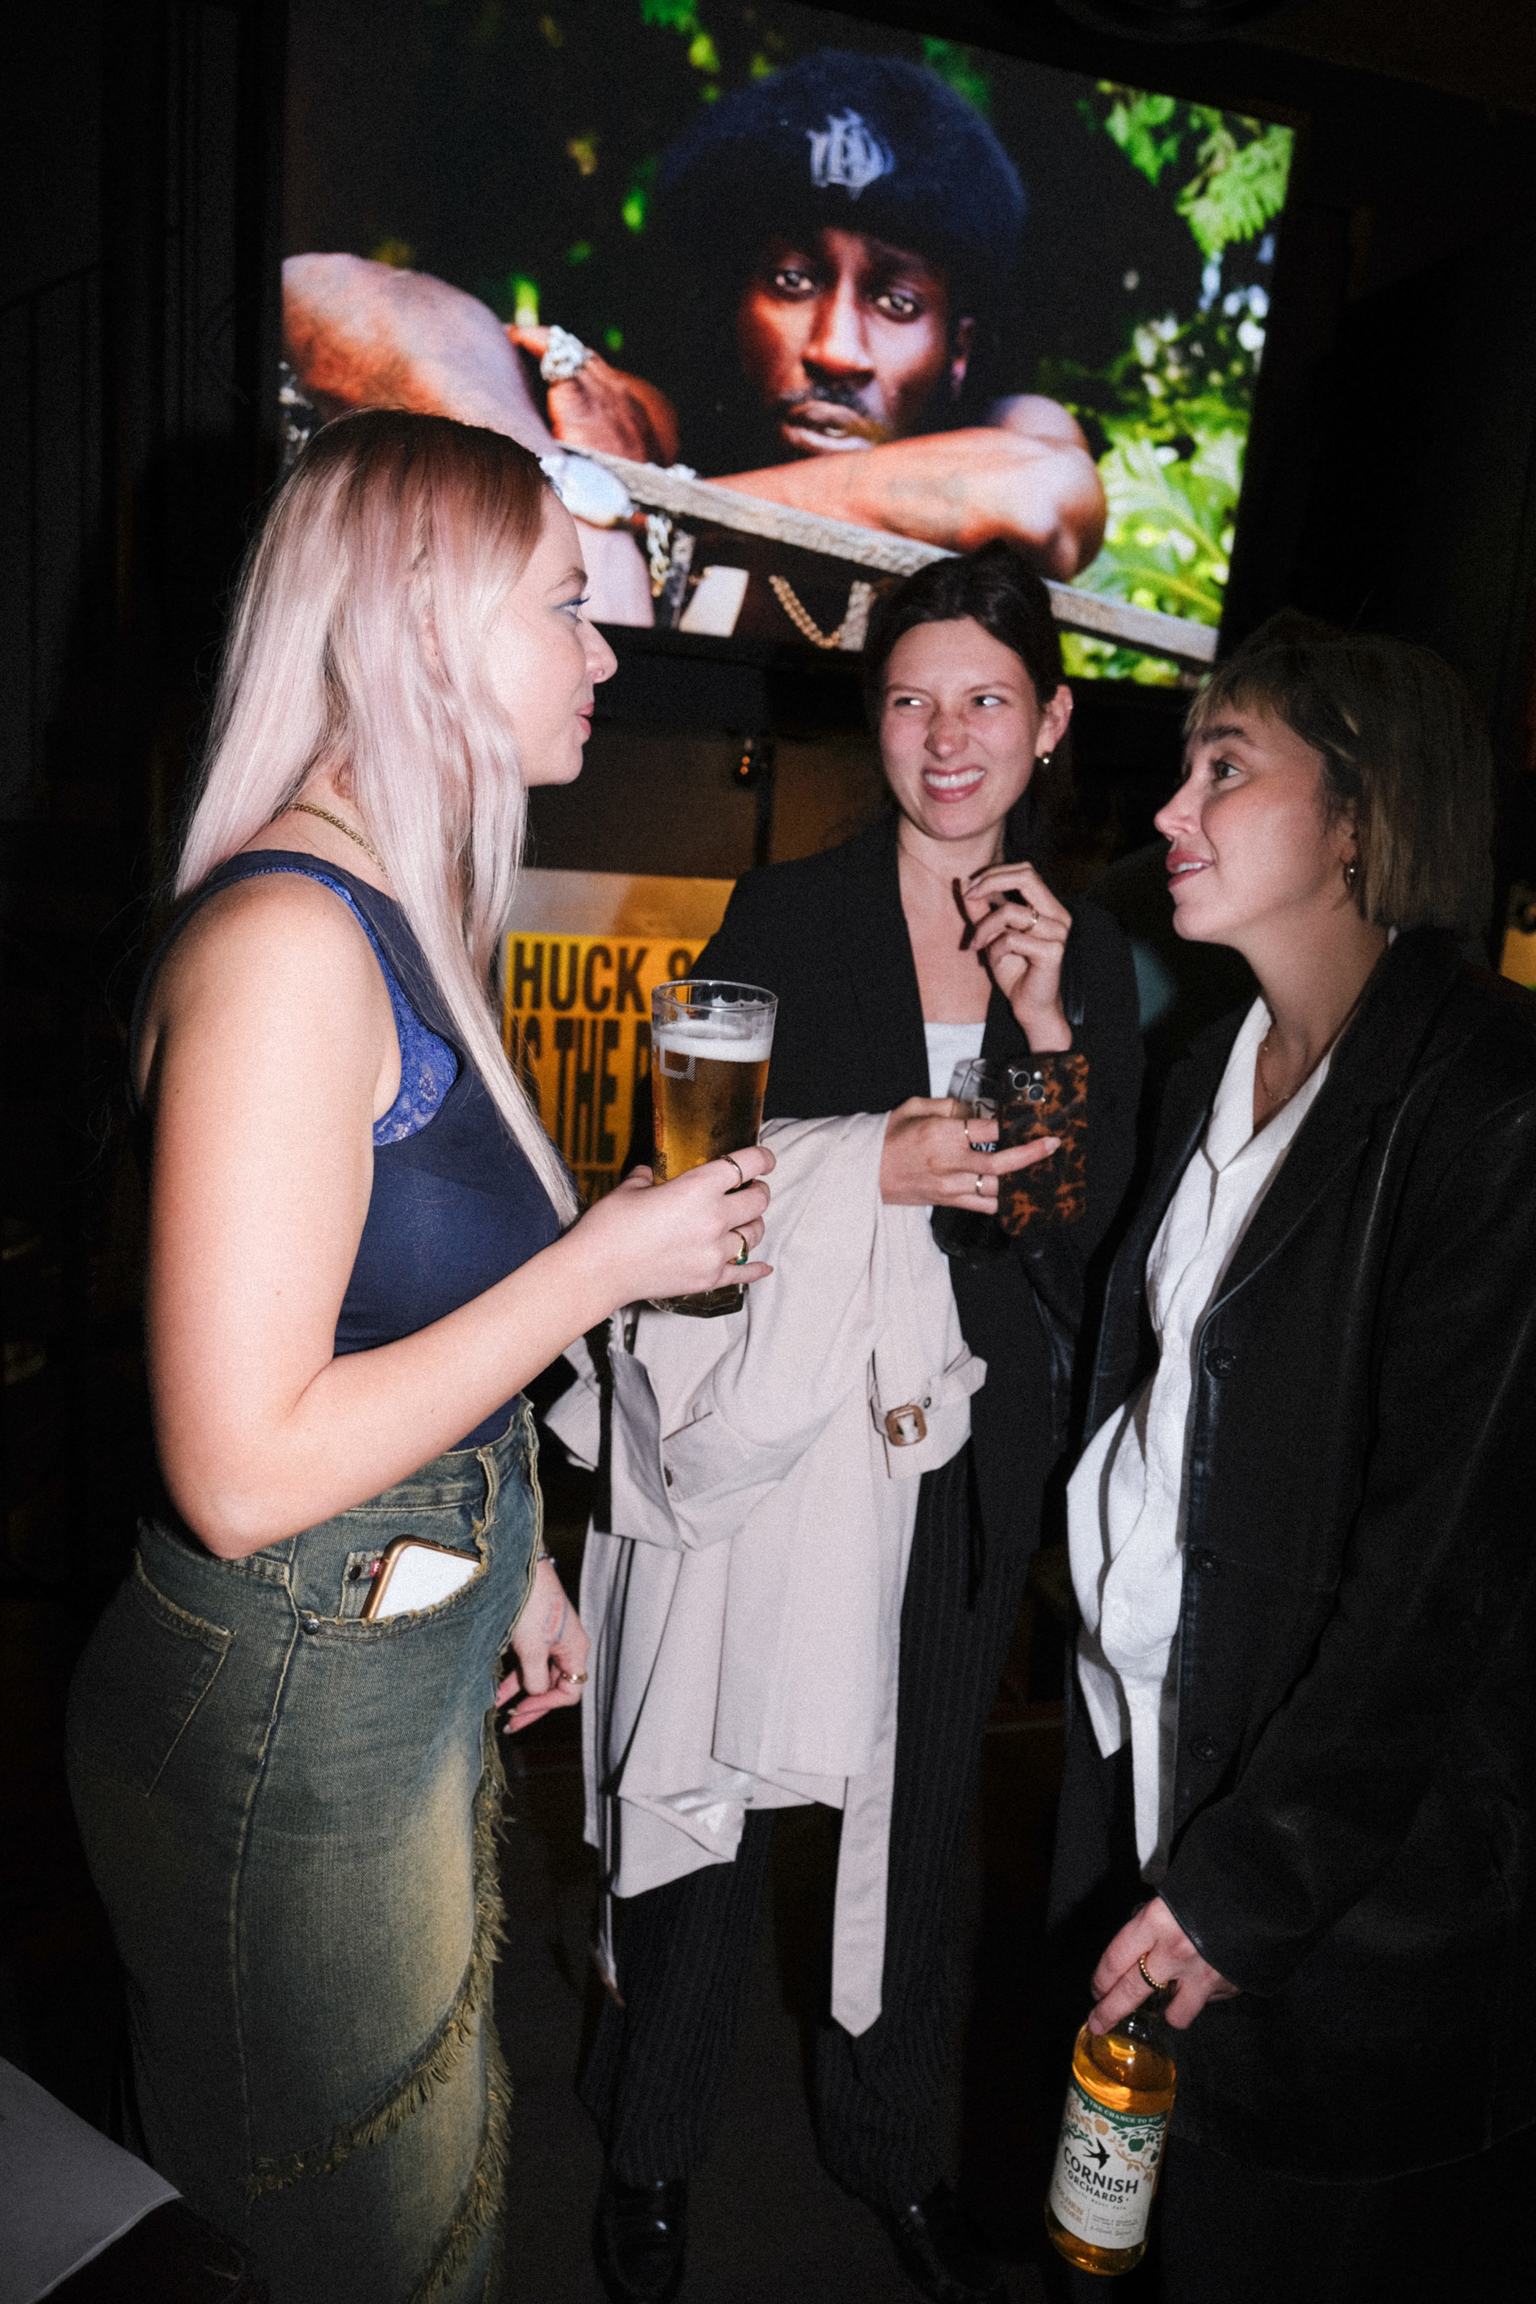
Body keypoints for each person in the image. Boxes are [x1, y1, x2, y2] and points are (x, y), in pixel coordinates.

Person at [64, 409, 774, 2304]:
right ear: (418, 623)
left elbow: (382, 1326)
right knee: (345, 2240)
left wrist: (521, 1553)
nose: (606, 649)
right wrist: (609, 1261)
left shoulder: (391, 913)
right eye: (564, 603)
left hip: (383, 1644)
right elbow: (235, 1460)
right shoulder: (295, 940)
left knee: (427, 2181)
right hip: (285, 1692)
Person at [577, 542, 1143, 2304]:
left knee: (917, 1805)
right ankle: (654, 2149)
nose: (946, 734)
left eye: (985, 698)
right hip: (782, 1421)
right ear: (875, 722)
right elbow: (681, 1178)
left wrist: (1040, 1027)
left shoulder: (1093, 951)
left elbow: (1072, 1231)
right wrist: (865, 1166)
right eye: (911, 699)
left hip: (970, 1444)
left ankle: (888, 2145)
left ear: (1048, 724)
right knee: (715, 1781)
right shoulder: (781, 915)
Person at [1049, 618, 1536, 2302]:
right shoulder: (1211, 1063)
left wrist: (1243, 1889)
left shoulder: (1488, 1096)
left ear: (1357, 814)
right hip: (1159, 1768)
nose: (1170, 804)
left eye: (1224, 765)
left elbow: (1437, 1574)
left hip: (1342, 1886)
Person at [281, 49, 1106, 631]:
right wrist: (557, 480)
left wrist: (633, 509)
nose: (836, 349)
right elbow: (322, 291)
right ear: (733, 301)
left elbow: (1037, 500)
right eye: (792, 281)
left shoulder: (1004, 427)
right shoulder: (652, 423)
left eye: (895, 302)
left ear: (956, 348)